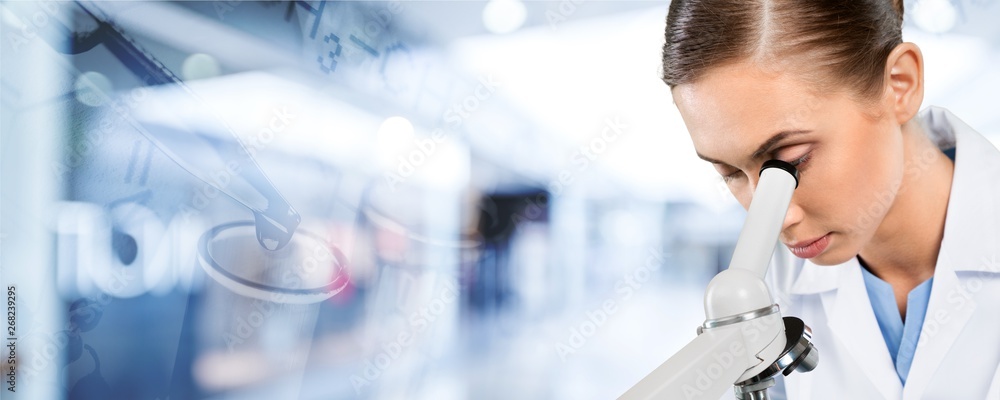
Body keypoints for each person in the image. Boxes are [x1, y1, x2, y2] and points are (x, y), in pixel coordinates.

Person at [660, 0, 1000, 398]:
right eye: (730, 173)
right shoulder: (769, 288)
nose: (776, 217)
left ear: (899, 84)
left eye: (792, 160)